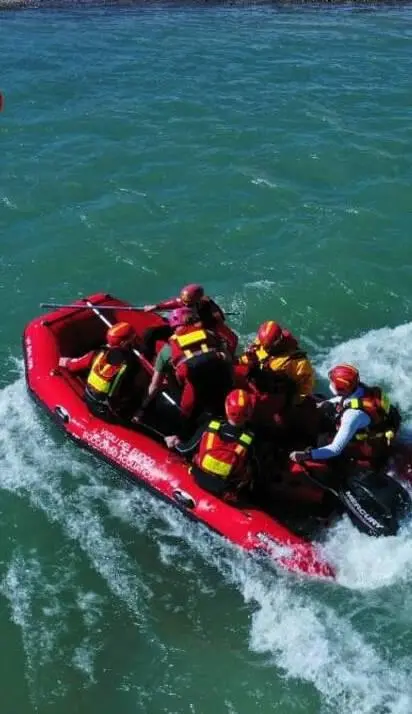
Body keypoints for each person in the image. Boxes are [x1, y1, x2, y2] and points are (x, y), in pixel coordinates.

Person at [134, 306, 233, 426]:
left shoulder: (167, 350)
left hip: (194, 390)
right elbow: (228, 359)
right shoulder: (210, 334)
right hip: (221, 384)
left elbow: (155, 385)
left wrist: (143, 407)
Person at [289, 364, 401, 468]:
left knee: (322, 440)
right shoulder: (361, 388)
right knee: (326, 405)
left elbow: (335, 449)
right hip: (371, 426)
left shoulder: (352, 415)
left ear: (341, 387)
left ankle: (337, 470)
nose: (330, 384)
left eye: (332, 382)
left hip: (364, 442)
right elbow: (347, 399)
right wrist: (325, 403)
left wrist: (306, 455)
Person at [166, 389, 256, 500]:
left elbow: (186, 450)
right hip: (224, 489)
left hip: (198, 477)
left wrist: (176, 443)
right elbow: (254, 471)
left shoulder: (211, 425)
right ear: (249, 413)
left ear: (227, 408)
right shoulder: (250, 440)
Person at [236, 320, 315, 433]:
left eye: (268, 347)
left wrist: (293, 402)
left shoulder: (298, 362)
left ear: (278, 341)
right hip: (257, 379)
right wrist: (243, 360)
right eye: (264, 345)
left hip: (274, 393)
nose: (265, 348)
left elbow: (305, 386)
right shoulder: (263, 341)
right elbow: (251, 356)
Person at [58, 321, 145, 422]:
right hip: (107, 410)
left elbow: (74, 365)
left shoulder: (97, 353)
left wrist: (67, 362)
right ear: (123, 343)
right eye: (132, 338)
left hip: (89, 399)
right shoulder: (131, 364)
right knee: (140, 393)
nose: (134, 340)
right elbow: (139, 383)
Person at [142, 283, 238, 358]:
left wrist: (200, 324)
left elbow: (229, 333)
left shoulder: (209, 309)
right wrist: (156, 306)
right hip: (184, 329)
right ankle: (148, 356)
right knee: (150, 333)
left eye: (189, 304)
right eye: (184, 303)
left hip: (201, 335)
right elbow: (176, 302)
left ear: (198, 301)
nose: (185, 306)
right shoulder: (187, 300)